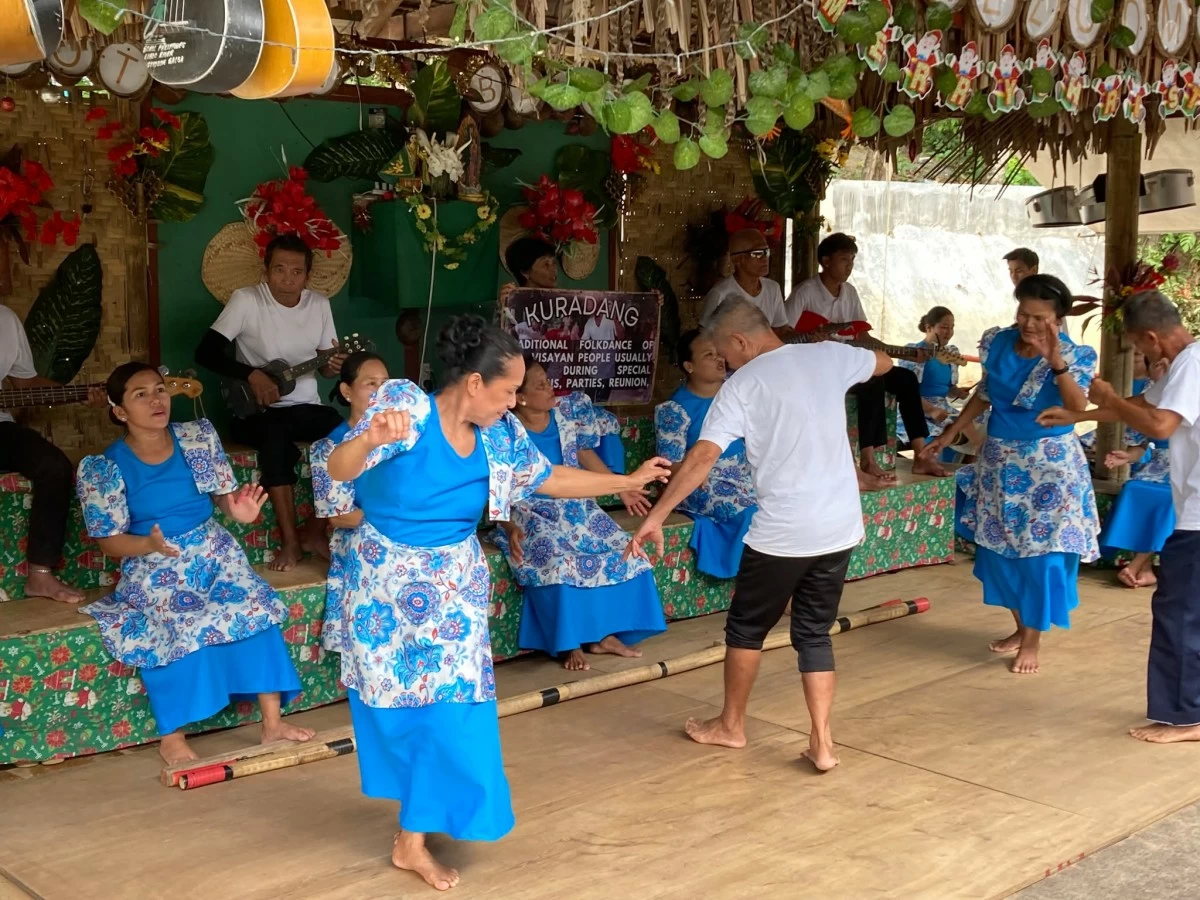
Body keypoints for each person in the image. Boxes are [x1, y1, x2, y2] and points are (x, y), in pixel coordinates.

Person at [324, 316, 670, 891]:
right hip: (384, 585)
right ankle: (411, 834)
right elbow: (340, 473)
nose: (515, 402)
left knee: (455, 711)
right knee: (400, 712)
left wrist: (623, 481)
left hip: (454, 585)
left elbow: (550, 477)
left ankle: (413, 838)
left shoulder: (499, 436)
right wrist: (365, 439)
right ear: (474, 384)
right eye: (509, 390)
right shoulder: (406, 407)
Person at [627, 298, 890, 771]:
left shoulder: (743, 385)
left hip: (783, 531)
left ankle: (731, 726)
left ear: (741, 341)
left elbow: (702, 457)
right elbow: (883, 362)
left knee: (746, 630)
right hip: (840, 525)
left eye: (724, 353)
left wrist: (657, 516)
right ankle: (823, 743)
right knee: (813, 633)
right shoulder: (828, 355)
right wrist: (840, 359)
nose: (724, 364)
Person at [76, 363, 315, 765]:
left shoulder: (195, 437)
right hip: (154, 563)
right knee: (178, 622)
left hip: (214, 553)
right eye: (141, 394)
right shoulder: (104, 468)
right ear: (120, 411)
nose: (156, 400)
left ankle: (272, 723)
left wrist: (236, 510)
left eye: (159, 390)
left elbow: (224, 495)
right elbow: (109, 542)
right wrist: (147, 543)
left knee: (253, 604)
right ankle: (172, 736)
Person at [1037, 291, 1200, 743]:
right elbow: (1143, 405)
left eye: (1140, 348)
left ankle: (1186, 717)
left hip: (1198, 516)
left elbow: (1160, 425)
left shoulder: (1191, 363)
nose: (1144, 357)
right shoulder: (1185, 364)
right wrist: (1079, 412)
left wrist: (1106, 394)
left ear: (1153, 336)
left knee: (1179, 613)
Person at [925, 274, 1099, 675]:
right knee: (1000, 551)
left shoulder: (1077, 354)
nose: (1029, 323)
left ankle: (1033, 640)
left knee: (1040, 557)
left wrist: (1056, 361)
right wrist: (949, 433)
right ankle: (1022, 628)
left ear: (1058, 319)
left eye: (1039, 317)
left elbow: (1077, 407)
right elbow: (985, 393)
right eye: (1023, 313)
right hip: (1001, 464)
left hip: (1051, 471)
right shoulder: (999, 342)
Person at [494, 355, 666, 671]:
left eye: (548, 381)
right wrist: (507, 526)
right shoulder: (504, 430)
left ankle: (602, 636)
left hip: (578, 507)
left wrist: (622, 488)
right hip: (530, 512)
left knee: (628, 552)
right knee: (558, 561)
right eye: (541, 385)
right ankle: (570, 641)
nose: (551, 389)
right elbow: (496, 486)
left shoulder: (565, 416)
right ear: (519, 397)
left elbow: (584, 456)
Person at [194, 233, 346, 573]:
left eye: (296, 271)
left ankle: (316, 532)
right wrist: (252, 375)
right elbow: (205, 352)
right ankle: (290, 541)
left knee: (346, 434)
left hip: (306, 407)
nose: (287, 278)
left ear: (307, 276)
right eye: (279, 269)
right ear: (266, 271)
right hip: (256, 412)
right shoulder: (246, 300)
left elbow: (323, 367)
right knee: (275, 443)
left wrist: (331, 365)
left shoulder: (319, 305)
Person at [786, 233, 947, 486]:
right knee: (871, 379)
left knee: (905, 378)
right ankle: (868, 459)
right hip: (820, 366)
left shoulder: (849, 292)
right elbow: (786, 333)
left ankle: (921, 453)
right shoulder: (805, 292)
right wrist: (808, 338)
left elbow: (862, 335)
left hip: (850, 359)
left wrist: (900, 352)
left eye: (851, 260)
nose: (849, 266)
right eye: (843, 260)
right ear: (825, 261)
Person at [0, 304, 105, 603]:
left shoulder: (5, 320)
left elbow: (25, 384)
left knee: (54, 465)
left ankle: (40, 575)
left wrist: (79, 394)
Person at [499, 235, 627, 469]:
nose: (553, 270)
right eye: (545, 264)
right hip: (532, 400)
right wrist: (504, 309)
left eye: (553, 263)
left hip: (565, 390)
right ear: (526, 271)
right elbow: (502, 351)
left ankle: (607, 485)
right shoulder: (511, 306)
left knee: (598, 429)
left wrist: (649, 304)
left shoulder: (571, 304)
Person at [655, 329, 757, 579]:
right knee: (752, 512)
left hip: (745, 478)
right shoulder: (674, 409)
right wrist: (700, 470)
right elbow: (670, 467)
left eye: (718, 352)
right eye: (708, 354)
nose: (719, 359)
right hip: (701, 485)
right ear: (689, 366)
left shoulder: (738, 397)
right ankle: (761, 589)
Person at [309, 350, 389, 658]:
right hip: (359, 541)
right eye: (371, 383)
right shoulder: (329, 447)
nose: (380, 392)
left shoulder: (400, 441)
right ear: (346, 391)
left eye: (385, 383)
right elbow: (340, 517)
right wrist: (398, 518)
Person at [1097, 354, 1173, 589]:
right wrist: (1127, 457)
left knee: (1171, 498)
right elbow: (1140, 446)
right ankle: (1145, 568)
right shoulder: (1150, 398)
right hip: (1159, 464)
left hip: (1189, 467)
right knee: (1134, 488)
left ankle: (1136, 565)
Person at [896, 306, 976, 458]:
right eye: (944, 327)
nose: (949, 332)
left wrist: (958, 392)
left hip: (943, 408)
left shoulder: (951, 353)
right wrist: (932, 410)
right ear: (929, 328)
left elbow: (948, 389)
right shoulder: (914, 352)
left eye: (952, 328)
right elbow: (906, 392)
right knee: (947, 432)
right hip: (917, 409)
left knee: (974, 424)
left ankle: (965, 472)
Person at [699, 229, 790, 331]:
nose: (764, 258)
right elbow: (705, 338)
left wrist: (806, 337)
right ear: (736, 259)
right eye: (757, 253)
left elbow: (781, 330)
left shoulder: (773, 288)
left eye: (766, 252)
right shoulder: (721, 293)